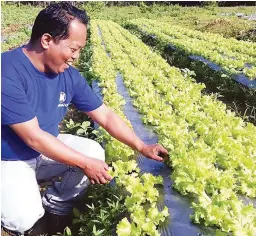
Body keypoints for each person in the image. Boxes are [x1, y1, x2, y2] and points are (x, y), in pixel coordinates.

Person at [1, 2, 168, 236]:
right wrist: (84, 163)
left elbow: (106, 115)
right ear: (47, 40)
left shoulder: (68, 76)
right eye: (73, 48)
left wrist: (142, 146)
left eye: (80, 50)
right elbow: (33, 137)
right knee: (22, 218)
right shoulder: (7, 71)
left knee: (92, 152)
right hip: (9, 158)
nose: (76, 57)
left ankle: (56, 206)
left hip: (45, 149)